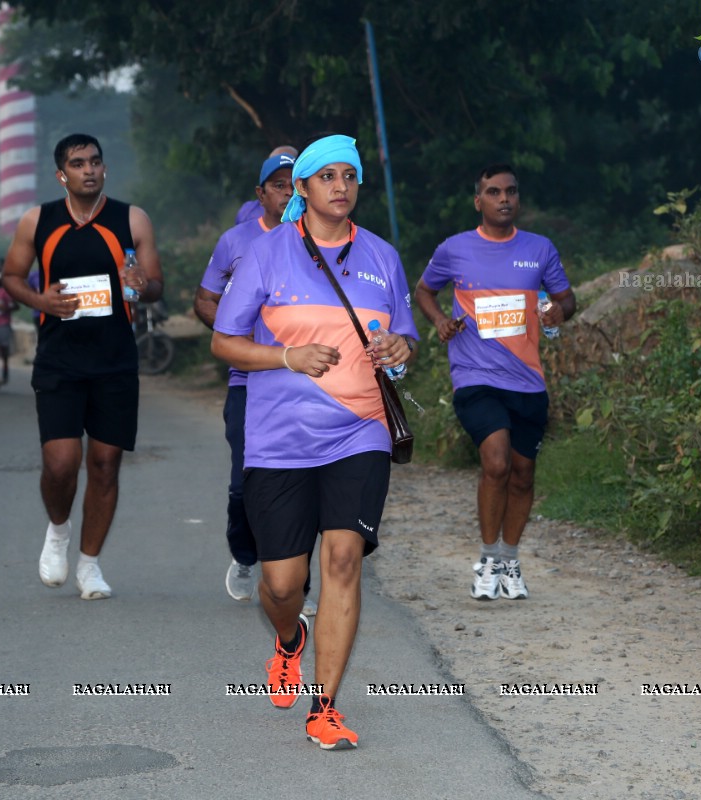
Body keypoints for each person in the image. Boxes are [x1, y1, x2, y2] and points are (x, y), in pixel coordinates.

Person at [212, 134, 418, 750]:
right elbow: (225, 340)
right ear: (300, 188)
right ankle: (289, 640)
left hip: (360, 431)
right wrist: (286, 356)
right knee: (281, 584)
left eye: (348, 176)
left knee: (343, 560)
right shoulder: (266, 255)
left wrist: (401, 350)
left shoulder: (382, 256)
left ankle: (324, 707)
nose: (340, 186)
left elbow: (403, 337)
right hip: (277, 440)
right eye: (325, 176)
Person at [1, 133, 163, 601]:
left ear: (104, 168)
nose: (89, 169)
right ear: (62, 174)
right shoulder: (39, 220)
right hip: (59, 358)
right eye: (78, 164)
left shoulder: (131, 219)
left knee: (106, 464)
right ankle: (57, 531)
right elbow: (10, 276)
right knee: (61, 462)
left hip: (114, 360)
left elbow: (154, 284)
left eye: (95, 161)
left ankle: (89, 566)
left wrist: (141, 286)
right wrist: (41, 300)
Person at [414, 164, 576, 601]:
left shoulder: (540, 249)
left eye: (511, 192)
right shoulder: (454, 249)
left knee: (523, 475)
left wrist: (560, 311)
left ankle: (509, 559)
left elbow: (566, 299)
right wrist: (440, 322)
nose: (504, 199)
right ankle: (487, 559)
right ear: (478, 201)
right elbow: (424, 291)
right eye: (493, 192)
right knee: (497, 463)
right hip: (475, 376)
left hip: (527, 381)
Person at [195, 150, 323, 608]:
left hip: (311, 383)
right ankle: (246, 557)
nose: (288, 193)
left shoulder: (321, 240)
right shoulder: (237, 241)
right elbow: (205, 300)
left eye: (296, 184)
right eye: (279, 185)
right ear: (261, 193)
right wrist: (241, 335)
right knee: (245, 480)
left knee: (305, 480)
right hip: (249, 383)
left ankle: (297, 579)